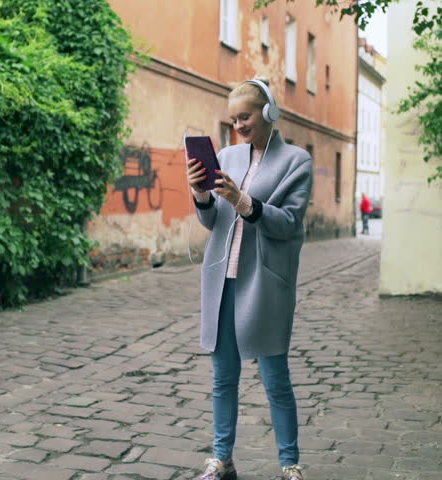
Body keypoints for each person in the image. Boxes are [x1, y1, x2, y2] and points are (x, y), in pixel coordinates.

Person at [185, 77, 313, 480]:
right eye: (234, 118)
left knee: (275, 377)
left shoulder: (297, 161)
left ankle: (290, 465)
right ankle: (222, 460)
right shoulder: (227, 155)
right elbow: (212, 222)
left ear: (268, 112)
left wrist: (243, 200)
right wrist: (202, 194)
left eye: (246, 116)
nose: (239, 125)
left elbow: (288, 223)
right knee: (223, 377)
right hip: (223, 280)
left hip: (264, 282)